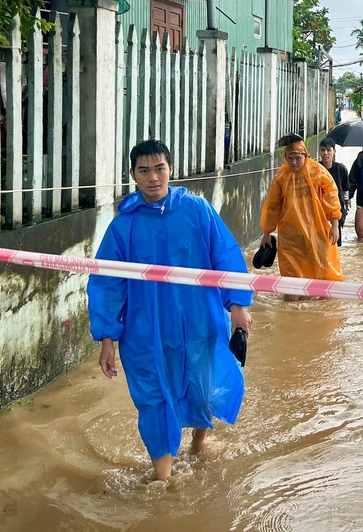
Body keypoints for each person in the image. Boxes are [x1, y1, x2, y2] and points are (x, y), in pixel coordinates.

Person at [87, 139, 253, 481]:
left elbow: (226, 256)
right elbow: (107, 284)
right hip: (144, 332)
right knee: (153, 400)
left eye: (159, 168)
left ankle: (198, 445)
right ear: (132, 175)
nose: (153, 177)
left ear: (171, 170)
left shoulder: (197, 210)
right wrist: (107, 338)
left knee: (204, 387)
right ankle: (163, 480)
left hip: (200, 321)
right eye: (144, 170)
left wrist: (237, 306)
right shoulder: (123, 226)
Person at [259, 134, 343, 290]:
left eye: (298, 157)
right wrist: (267, 232)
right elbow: (272, 205)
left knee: (322, 279)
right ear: (285, 157)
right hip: (291, 236)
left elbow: (331, 196)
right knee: (292, 286)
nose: (294, 162)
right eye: (290, 158)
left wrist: (335, 224)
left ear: (306, 155)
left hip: (317, 232)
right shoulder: (281, 177)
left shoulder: (318, 172)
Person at [318, 136, 350, 246]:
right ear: (319, 152)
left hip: (337, 212)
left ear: (334, 151)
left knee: (334, 244)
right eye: (323, 150)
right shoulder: (315, 169)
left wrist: (346, 204)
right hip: (319, 212)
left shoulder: (341, 169)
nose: (326, 153)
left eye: (328, 150)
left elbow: (346, 189)